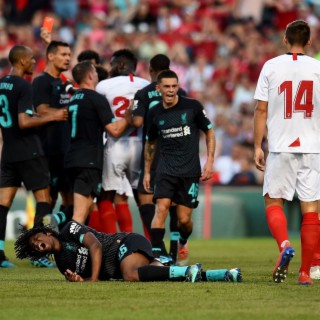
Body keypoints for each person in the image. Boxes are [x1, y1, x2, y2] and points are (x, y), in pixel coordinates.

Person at [253, 19, 320, 285]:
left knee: (273, 201)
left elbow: (260, 109)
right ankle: (305, 273)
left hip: (281, 146)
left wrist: (258, 145)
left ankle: (284, 246)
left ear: (284, 39)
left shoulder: (271, 66)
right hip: (312, 147)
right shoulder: (317, 68)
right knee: (311, 209)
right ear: (310, 42)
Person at [0, 45, 67, 267]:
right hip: (29, 151)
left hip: (9, 151)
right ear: (20, 62)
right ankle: (38, 254)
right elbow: (25, 121)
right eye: (30, 59)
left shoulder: (2, 84)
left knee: (3, 203)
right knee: (44, 200)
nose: (33, 62)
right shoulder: (23, 85)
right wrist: (54, 116)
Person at [14, 220, 242, 283]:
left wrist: (91, 279)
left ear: (47, 233)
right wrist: (77, 279)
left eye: (36, 238)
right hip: (121, 263)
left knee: (131, 275)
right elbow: (80, 276)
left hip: (124, 243)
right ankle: (220, 274)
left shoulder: (68, 229)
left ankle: (181, 270)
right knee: (155, 273)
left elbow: (94, 245)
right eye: (33, 247)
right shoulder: (62, 264)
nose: (36, 244)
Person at [143, 70, 215, 262]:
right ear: (158, 89)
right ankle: (158, 254)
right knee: (161, 207)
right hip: (165, 168)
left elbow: (209, 132)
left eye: (174, 86)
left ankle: (183, 240)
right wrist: (148, 171)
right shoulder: (154, 112)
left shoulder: (192, 107)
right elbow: (150, 142)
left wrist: (209, 161)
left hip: (189, 171)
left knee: (184, 220)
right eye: (166, 86)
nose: (171, 90)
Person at [131, 53, 188, 264]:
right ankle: (173, 250)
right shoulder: (180, 92)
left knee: (146, 197)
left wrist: (131, 112)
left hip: (154, 151)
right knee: (172, 203)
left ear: (150, 71)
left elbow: (137, 122)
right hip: (178, 152)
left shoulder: (144, 93)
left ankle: (159, 249)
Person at [64, 60, 129, 225]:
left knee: (84, 209)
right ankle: (66, 247)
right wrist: (129, 115)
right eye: (94, 70)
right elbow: (114, 130)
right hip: (88, 160)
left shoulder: (73, 100)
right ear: (91, 75)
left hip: (72, 158)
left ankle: (76, 246)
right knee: (79, 214)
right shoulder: (96, 98)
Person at [96, 49, 150, 234]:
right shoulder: (146, 85)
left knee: (106, 196)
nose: (110, 68)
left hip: (115, 144)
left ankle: (110, 244)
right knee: (143, 198)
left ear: (119, 64)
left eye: (112, 64)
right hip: (140, 145)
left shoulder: (104, 85)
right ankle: (154, 247)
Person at [32, 40, 74, 230]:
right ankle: (37, 245)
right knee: (48, 199)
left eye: (69, 55)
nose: (68, 58)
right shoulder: (41, 81)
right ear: (51, 56)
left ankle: (59, 236)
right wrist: (62, 113)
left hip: (67, 149)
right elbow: (41, 110)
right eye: (64, 54)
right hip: (48, 149)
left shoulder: (65, 82)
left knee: (72, 201)